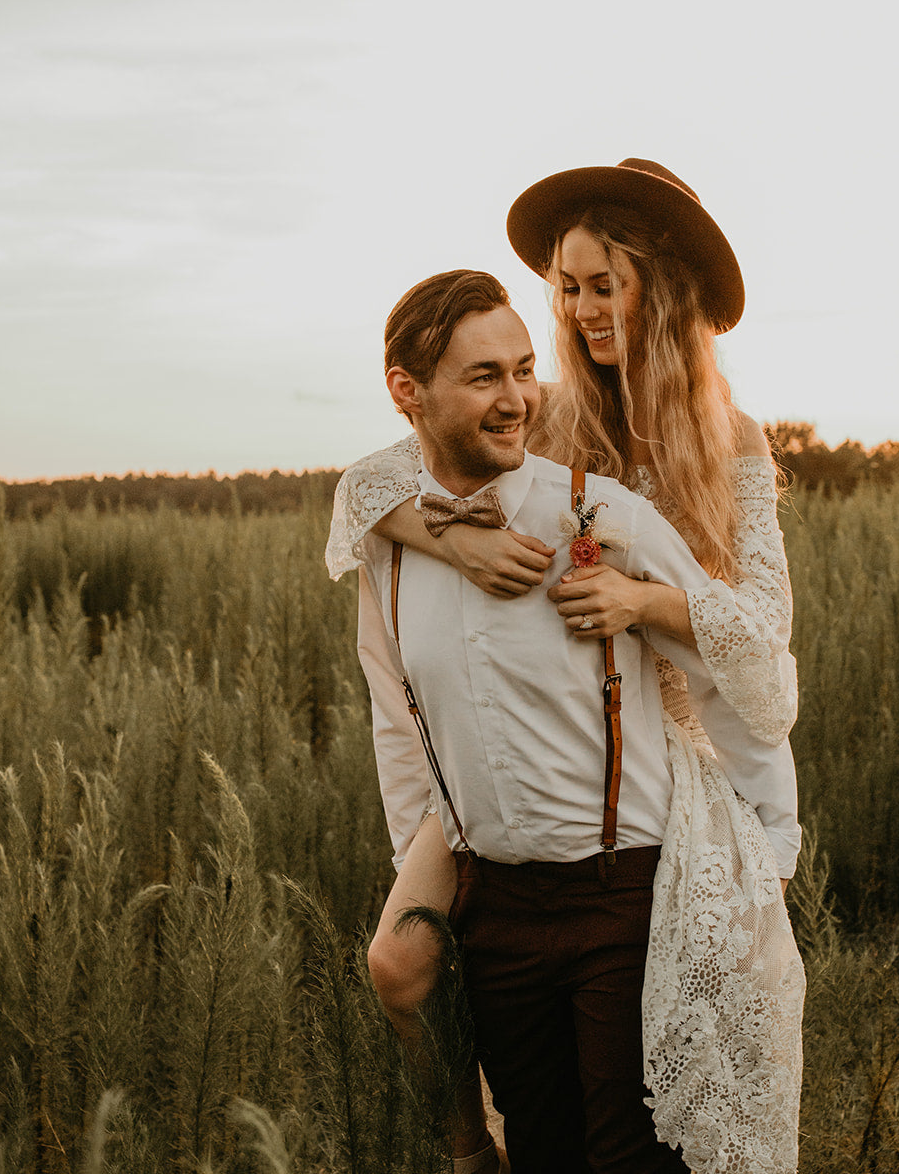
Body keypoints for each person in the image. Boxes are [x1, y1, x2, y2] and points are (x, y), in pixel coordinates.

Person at [327, 160, 804, 1174]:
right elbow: (382, 474)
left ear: (659, 288)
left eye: (601, 285)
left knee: (666, 1080)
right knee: (402, 962)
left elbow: (761, 628)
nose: (580, 311)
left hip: (679, 744)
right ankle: (470, 1143)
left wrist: (640, 600)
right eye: (567, 287)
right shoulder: (538, 413)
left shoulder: (731, 440)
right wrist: (449, 537)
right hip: (536, 741)